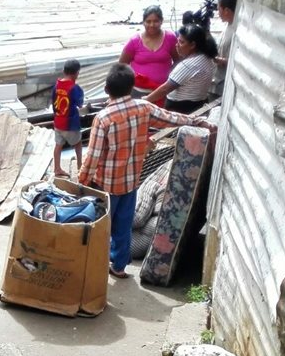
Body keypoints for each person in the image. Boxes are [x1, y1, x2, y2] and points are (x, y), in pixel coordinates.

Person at [78, 63, 213, 279]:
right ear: (132, 86)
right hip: (131, 182)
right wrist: (198, 120)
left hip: (105, 186)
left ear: (106, 89)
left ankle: (94, 265)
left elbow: (92, 158)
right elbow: (172, 118)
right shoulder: (143, 107)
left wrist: (81, 183)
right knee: (123, 227)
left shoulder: (103, 118)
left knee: (100, 227)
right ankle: (119, 267)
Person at [143, 24, 218, 114]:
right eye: (177, 41)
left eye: (181, 42)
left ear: (192, 45)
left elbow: (165, 89)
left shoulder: (189, 65)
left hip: (181, 108)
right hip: (199, 103)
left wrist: (146, 99)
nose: (177, 45)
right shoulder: (207, 57)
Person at [118, 5, 178, 96]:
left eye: (156, 21)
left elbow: (178, 61)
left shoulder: (170, 38)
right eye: (148, 21)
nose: (152, 25)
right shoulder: (134, 41)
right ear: (143, 22)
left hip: (164, 92)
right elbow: (121, 65)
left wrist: (170, 79)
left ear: (161, 21)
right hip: (138, 92)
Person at [51, 59, 85, 178]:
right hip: (70, 123)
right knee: (78, 144)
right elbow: (80, 104)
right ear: (76, 73)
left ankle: (57, 168)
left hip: (58, 122)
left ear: (63, 71)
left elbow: (53, 103)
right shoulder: (75, 88)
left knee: (58, 145)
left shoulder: (56, 85)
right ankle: (80, 168)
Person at [212, 0, 237, 98]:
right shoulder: (227, 25)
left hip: (226, 83)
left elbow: (237, 60)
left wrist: (221, 61)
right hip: (217, 80)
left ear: (226, 10)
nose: (218, 13)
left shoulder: (238, 30)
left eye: (219, 9)